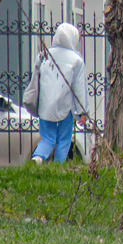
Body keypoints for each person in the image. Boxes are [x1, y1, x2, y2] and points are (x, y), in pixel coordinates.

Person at [30, 22, 87, 164]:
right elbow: (79, 87)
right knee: (64, 139)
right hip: (65, 107)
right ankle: (58, 166)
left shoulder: (43, 55)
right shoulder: (76, 60)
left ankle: (37, 157)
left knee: (48, 138)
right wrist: (83, 111)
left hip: (45, 105)